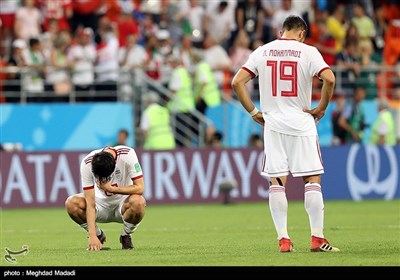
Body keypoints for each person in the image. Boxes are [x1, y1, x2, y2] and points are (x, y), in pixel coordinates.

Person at [231, 15, 339, 253]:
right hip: (302, 123)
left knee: (277, 182)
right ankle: (317, 239)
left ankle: (284, 240)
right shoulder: (308, 52)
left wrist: (253, 112)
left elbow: (237, 82)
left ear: (282, 32)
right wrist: (321, 108)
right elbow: (329, 78)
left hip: (273, 125)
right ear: (301, 33)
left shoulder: (263, 51)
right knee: (311, 180)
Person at [65, 146, 146, 251]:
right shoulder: (87, 163)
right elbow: (90, 203)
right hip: (100, 204)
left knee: (139, 202)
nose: (100, 179)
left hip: (124, 203)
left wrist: (112, 189)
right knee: (71, 203)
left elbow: (140, 188)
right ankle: (98, 235)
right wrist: (92, 235)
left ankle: (126, 235)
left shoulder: (127, 154)